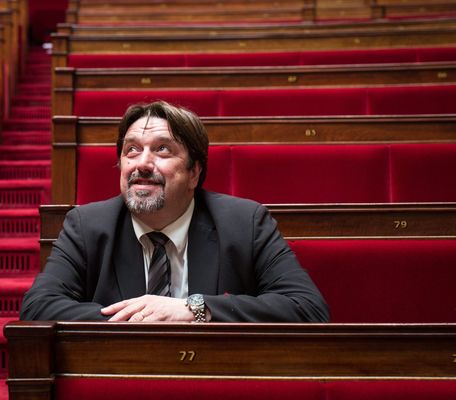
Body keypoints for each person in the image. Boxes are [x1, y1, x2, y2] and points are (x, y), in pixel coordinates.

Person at [20, 101, 329, 323]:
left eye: (162, 149)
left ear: (194, 172)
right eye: (131, 150)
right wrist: (137, 321)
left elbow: (307, 308)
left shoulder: (244, 223)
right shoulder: (87, 226)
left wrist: (194, 309)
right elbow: (38, 307)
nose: (142, 163)